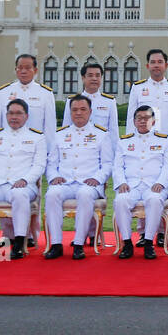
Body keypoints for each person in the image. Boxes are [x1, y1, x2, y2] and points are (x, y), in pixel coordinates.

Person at [0, 99, 48, 260]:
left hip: (24, 186)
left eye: (18, 113)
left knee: (20, 195)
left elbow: (39, 165)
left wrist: (25, 179)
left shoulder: (36, 137)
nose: (14, 117)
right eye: (11, 113)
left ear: (26, 116)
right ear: (6, 115)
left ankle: (19, 243)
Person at [45, 94, 114, 260]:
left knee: (84, 194)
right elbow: (51, 163)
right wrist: (54, 177)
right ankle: (56, 244)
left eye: (83, 109)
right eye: (74, 110)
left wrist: (97, 179)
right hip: (66, 182)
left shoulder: (101, 134)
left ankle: (78, 243)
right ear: (70, 112)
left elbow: (108, 164)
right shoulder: (60, 134)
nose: (78, 113)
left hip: (89, 183)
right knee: (51, 194)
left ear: (90, 112)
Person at [112, 105, 168, 260]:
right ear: (134, 122)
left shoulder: (164, 140)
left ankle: (148, 242)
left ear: (153, 121)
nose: (142, 121)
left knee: (154, 199)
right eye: (139, 118)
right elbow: (117, 166)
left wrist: (161, 182)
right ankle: (127, 243)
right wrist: (121, 182)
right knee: (121, 200)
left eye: (146, 118)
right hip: (131, 185)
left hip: (154, 185)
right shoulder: (124, 141)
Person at [126, 49, 168, 166]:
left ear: (166, 65)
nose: (156, 65)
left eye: (160, 62)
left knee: (166, 179)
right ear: (148, 66)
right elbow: (131, 117)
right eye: (153, 62)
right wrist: (130, 142)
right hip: (143, 141)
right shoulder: (138, 87)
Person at [62, 61, 122, 156]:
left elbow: (113, 132)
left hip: (101, 150)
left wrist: (115, 154)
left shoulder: (109, 101)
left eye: (98, 75)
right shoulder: (72, 101)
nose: (94, 78)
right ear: (83, 78)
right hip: (77, 149)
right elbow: (66, 128)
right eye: (90, 75)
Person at [0, 54, 57, 137]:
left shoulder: (45, 93)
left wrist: (48, 149)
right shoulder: (4, 92)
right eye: (20, 68)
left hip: (34, 145)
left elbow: (50, 127)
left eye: (28, 68)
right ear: (16, 70)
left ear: (35, 70)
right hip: (8, 144)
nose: (23, 71)